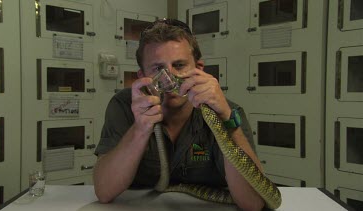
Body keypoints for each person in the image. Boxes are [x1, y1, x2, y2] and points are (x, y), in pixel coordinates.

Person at [93, 18, 265, 211]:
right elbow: (104, 191)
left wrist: (226, 120)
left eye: (180, 65)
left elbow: (254, 203)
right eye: (158, 69)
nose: (170, 78)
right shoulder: (123, 106)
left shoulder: (227, 111)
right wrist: (140, 129)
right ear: (142, 77)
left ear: (199, 69)